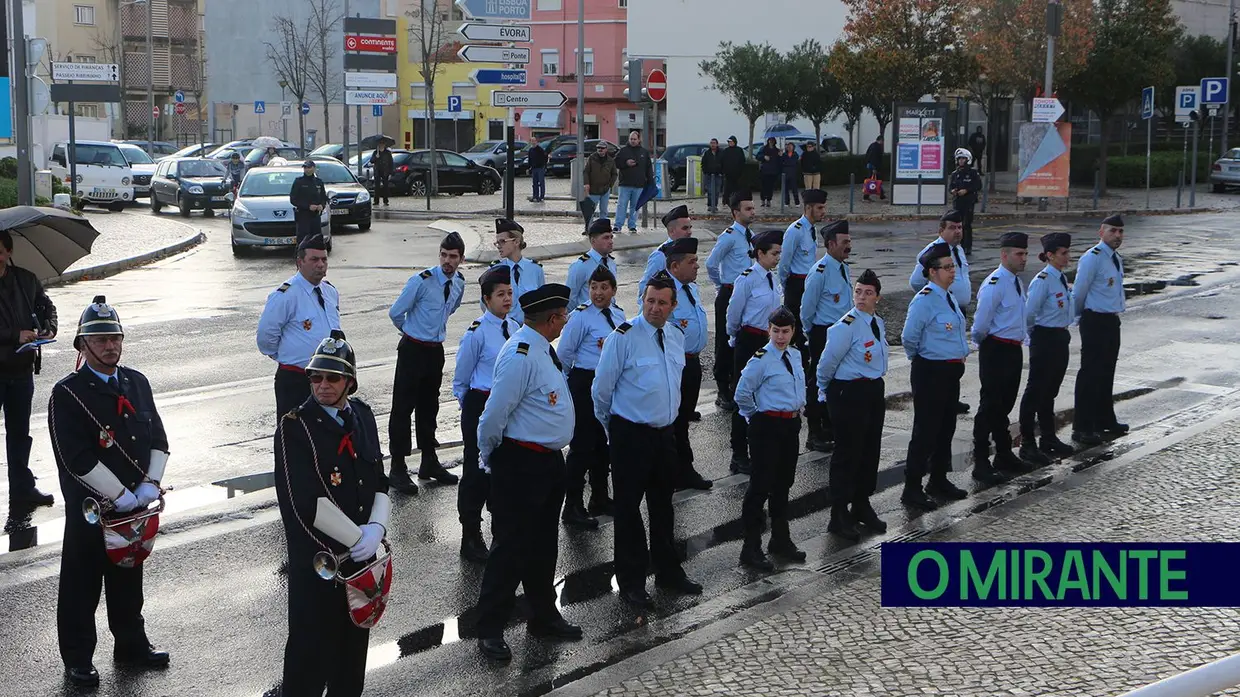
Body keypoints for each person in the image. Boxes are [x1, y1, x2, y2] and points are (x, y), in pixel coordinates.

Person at [48, 296, 171, 688]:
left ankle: (132, 645)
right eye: (99, 339)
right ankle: (79, 659)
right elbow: (76, 457)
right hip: (94, 508)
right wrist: (119, 495)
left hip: (134, 505)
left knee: (128, 580)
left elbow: (158, 439)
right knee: (81, 586)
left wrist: (148, 485)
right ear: (82, 345)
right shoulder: (67, 393)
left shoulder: (137, 382)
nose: (109, 345)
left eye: (114, 337)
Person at [274, 330, 389, 697]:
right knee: (309, 657)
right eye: (316, 377)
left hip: (360, 561)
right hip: (320, 563)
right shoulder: (296, 426)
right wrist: (358, 539)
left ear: (349, 382)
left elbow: (378, 480)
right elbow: (304, 503)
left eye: (332, 378)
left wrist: (376, 528)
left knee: (352, 657)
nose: (322, 385)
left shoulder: (364, 417)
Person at [475, 283, 581, 662]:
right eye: (563, 316)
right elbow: (493, 416)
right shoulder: (521, 354)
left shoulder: (541, 349)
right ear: (551, 320)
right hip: (520, 463)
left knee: (542, 546)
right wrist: (490, 459)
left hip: (547, 462)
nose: (566, 321)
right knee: (510, 549)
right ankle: (490, 627)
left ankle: (543, 616)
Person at [593, 272, 703, 607]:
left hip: (664, 435)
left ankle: (668, 571)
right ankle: (632, 582)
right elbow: (601, 391)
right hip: (631, 434)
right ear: (642, 299)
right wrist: (615, 431)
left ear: (673, 305)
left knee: (662, 506)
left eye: (662, 302)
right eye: (649, 300)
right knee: (628, 511)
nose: (655, 308)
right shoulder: (623, 337)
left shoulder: (674, 336)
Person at [387, 232, 467, 494]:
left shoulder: (459, 284)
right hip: (413, 349)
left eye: (452, 257)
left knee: (429, 408)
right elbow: (396, 312)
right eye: (443, 255)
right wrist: (410, 331)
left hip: (435, 351)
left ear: (461, 259)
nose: (447, 261)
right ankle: (398, 467)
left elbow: (449, 310)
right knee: (402, 409)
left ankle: (428, 461)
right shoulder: (421, 281)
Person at [453, 267, 520, 562]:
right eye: (500, 295)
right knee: (476, 471)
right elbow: (461, 379)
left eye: (509, 293)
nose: (507, 299)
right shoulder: (477, 332)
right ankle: (470, 535)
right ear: (486, 299)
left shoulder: (516, 328)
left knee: (504, 469)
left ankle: (501, 530)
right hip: (481, 403)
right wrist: (470, 407)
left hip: (507, 405)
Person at [817, 269, 889, 540]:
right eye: (858, 291)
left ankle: (861, 504)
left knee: (870, 451)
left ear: (877, 298)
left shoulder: (876, 323)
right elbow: (826, 365)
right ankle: (838, 513)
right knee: (848, 453)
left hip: (871, 390)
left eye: (868, 293)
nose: (861, 297)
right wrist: (826, 393)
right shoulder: (845, 326)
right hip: (849, 392)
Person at [733, 307, 806, 570]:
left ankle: (780, 538)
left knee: (783, 483)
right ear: (769, 330)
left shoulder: (795, 355)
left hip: (790, 425)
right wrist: (756, 418)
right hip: (768, 426)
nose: (780, 337)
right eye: (776, 331)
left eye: (785, 331)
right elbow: (742, 393)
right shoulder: (761, 359)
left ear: (793, 332)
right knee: (760, 487)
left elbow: (799, 387)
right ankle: (750, 547)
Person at [900, 242, 970, 511]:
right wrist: (924, 360)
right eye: (947, 267)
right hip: (931, 372)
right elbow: (909, 338)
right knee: (926, 431)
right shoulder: (925, 300)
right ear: (932, 271)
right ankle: (912, 487)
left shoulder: (947, 296)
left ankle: (938, 479)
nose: (952, 271)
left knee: (945, 428)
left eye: (953, 266)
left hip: (950, 372)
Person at [559, 266, 627, 528]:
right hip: (585, 383)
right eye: (594, 287)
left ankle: (600, 497)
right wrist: (567, 389)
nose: (598, 293)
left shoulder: (618, 315)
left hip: (610, 384)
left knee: (603, 445)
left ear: (613, 290)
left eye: (604, 287)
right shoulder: (580, 317)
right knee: (582, 447)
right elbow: (564, 355)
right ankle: (572, 505)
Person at [0, 229, 58, 509]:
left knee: (20, 435)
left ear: (8, 252)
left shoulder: (25, 280)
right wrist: (15, 334)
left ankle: (22, 489)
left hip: (21, 370)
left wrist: (48, 327)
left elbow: (46, 307)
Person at [971, 232, 1034, 484]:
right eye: (1019, 254)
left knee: (1004, 405)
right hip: (995, 348)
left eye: (1026, 254)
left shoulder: (1016, 282)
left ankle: (1004, 453)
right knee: (990, 405)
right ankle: (981, 460)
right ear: (1004, 255)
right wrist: (984, 346)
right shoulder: (995, 283)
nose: (1024, 259)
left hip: (1012, 350)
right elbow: (980, 324)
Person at [257, 234, 341, 418]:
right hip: (296, 379)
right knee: (293, 436)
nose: (320, 264)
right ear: (300, 262)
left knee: (327, 434)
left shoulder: (330, 292)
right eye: (314, 259)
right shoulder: (286, 294)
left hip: (328, 379)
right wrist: (285, 355)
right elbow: (265, 336)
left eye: (324, 259)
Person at [725, 230, 783, 475]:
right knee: (744, 395)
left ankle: (760, 446)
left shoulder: (772, 278)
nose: (778, 258)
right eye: (774, 253)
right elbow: (733, 314)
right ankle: (739, 453)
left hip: (769, 341)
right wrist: (735, 337)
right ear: (759, 254)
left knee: (765, 393)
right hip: (749, 339)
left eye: (780, 253)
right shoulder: (747, 279)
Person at [1071, 214, 1128, 446]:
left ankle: (1105, 419)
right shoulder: (1092, 258)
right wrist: (1077, 317)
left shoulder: (1115, 258)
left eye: (1120, 232)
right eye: (1113, 231)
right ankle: (1082, 426)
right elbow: (1079, 291)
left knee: (1106, 373)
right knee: (1090, 374)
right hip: (1094, 320)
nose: (1117, 235)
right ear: (1101, 232)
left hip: (1111, 321)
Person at [1019, 233, 1076, 462]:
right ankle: (1027, 442)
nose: (1067, 257)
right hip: (1045, 338)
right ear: (1050, 255)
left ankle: (1048, 437)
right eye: (1063, 253)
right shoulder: (1042, 281)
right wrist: (1036, 338)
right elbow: (1029, 314)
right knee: (1035, 391)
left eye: (1067, 252)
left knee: (1050, 391)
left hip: (1060, 337)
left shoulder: (1059, 277)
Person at [910, 210, 973, 415]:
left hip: (955, 308)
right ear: (941, 230)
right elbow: (916, 281)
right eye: (952, 228)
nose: (957, 231)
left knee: (954, 353)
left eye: (960, 227)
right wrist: (939, 291)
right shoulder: (933, 252)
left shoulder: (958, 250)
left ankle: (952, 399)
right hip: (940, 308)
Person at [663, 237, 711, 492]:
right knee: (673, 422)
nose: (697, 266)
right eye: (691, 262)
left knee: (683, 421)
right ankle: (677, 471)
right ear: (674, 267)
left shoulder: (690, 289)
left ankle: (681, 470)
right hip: (674, 366)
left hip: (692, 363)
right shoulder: (664, 294)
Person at [800, 219, 851, 453]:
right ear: (831, 244)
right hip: (823, 333)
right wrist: (812, 333)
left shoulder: (843, 267)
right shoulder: (819, 271)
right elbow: (807, 309)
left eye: (849, 241)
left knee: (835, 381)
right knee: (817, 382)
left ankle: (829, 425)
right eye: (844, 242)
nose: (848, 246)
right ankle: (814, 431)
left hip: (841, 333)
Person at [705, 191, 756, 410]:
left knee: (740, 340)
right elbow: (710, 263)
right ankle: (722, 389)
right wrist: (722, 286)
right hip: (730, 292)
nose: (752, 212)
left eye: (753, 208)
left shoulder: (749, 235)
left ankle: (737, 384)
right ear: (735, 212)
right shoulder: (729, 236)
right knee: (725, 341)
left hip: (745, 294)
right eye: (748, 209)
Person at [777, 189, 827, 354]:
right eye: (819, 208)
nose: (823, 212)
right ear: (808, 208)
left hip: (808, 282)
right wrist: (787, 286)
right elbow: (784, 263)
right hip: (796, 284)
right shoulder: (795, 230)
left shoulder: (811, 230)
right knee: (794, 328)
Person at [489, 218, 545, 325]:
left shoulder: (535, 269)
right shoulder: (495, 270)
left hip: (529, 329)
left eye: (502, 241)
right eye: (497, 242)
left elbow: (541, 305)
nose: (498, 246)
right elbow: (486, 304)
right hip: (505, 329)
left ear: (516, 242)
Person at [637, 204, 693, 302]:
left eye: (690, 227)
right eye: (685, 228)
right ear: (671, 231)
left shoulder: (688, 252)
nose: (689, 232)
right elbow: (645, 286)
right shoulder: (660, 256)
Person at [566, 217, 618, 309]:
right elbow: (570, 299)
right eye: (606, 238)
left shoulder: (611, 263)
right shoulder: (581, 266)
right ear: (593, 241)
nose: (611, 241)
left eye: (611, 237)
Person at [615, 131, 653, 233]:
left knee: (635, 207)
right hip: (625, 184)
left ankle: (632, 225)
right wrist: (626, 163)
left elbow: (648, 168)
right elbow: (616, 162)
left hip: (639, 184)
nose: (632, 141)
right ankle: (618, 225)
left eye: (634, 139)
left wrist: (650, 181)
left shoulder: (644, 152)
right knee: (621, 205)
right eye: (631, 139)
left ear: (639, 140)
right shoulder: (623, 151)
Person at [949, 148, 982, 254]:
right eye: (959, 159)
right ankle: (958, 245)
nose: (961, 161)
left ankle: (967, 246)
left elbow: (978, 185)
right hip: (958, 202)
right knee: (957, 225)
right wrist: (953, 191)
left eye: (963, 159)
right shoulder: (955, 174)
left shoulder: (973, 173)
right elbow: (951, 186)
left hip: (968, 202)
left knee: (966, 224)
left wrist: (967, 190)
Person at [289, 159, 328, 244]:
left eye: (309, 167)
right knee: (303, 239)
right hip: (303, 216)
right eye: (305, 168)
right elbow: (293, 199)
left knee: (316, 238)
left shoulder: (318, 182)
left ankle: (315, 256)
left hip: (316, 216)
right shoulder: (299, 182)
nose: (307, 169)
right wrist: (307, 206)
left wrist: (322, 205)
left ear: (314, 168)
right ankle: (301, 256)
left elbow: (323, 198)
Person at [583, 141, 617, 227]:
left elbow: (614, 174)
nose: (600, 150)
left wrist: (610, 185)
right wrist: (586, 183)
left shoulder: (610, 160)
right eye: (598, 148)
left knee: (604, 210)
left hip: (605, 189)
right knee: (590, 210)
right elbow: (586, 172)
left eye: (602, 148)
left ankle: (602, 228)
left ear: (606, 149)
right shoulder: (592, 158)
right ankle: (588, 227)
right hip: (593, 189)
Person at [720, 136, 746, 203]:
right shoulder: (726, 151)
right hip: (728, 174)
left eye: (731, 142)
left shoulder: (739, 150)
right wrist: (724, 171)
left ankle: (736, 200)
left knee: (736, 188)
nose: (730, 143)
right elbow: (722, 161)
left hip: (737, 174)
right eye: (729, 142)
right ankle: (725, 200)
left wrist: (740, 171)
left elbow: (742, 161)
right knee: (727, 188)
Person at [701, 138, 724, 213]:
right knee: (710, 191)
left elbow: (724, 163)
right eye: (711, 143)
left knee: (717, 191)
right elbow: (703, 163)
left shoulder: (721, 152)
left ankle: (715, 205)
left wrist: (721, 171)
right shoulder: (707, 153)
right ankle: (710, 205)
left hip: (718, 175)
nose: (712, 144)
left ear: (717, 144)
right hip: (709, 175)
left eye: (714, 143)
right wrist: (705, 171)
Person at [758, 137, 780, 207]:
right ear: (768, 141)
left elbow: (780, 161)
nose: (771, 142)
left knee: (770, 187)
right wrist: (764, 157)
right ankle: (762, 200)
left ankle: (768, 200)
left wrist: (781, 155)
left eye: (772, 141)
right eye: (770, 141)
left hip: (773, 171)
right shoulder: (763, 149)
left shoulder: (777, 150)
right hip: (764, 171)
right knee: (763, 186)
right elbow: (758, 156)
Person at [863, 134, 886, 201]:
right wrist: (875, 168)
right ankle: (866, 196)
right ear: (881, 140)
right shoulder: (877, 147)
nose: (883, 143)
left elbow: (867, 155)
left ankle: (881, 194)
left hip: (870, 165)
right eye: (883, 141)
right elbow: (876, 158)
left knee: (874, 180)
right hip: (874, 167)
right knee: (872, 180)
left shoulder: (872, 145)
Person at [372, 140, 395, 206]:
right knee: (377, 187)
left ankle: (385, 201)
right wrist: (376, 157)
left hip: (385, 171)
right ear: (378, 145)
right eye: (380, 144)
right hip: (377, 171)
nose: (381, 145)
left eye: (383, 144)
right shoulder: (375, 152)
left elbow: (391, 163)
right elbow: (371, 161)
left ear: (385, 145)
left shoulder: (387, 153)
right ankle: (376, 201)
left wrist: (390, 172)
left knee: (385, 186)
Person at [780, 142, 801, 206]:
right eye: (788, 146)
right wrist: (780, 156)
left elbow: (795, 162)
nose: (789, 147)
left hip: (793, 173)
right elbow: (781, 162)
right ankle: (787, 202)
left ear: (793, 147)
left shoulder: (795, 154)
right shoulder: (784, 154)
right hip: (785, 173)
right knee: (786, 189)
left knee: (794, 189)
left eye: (791, 146)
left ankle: (797, 202)